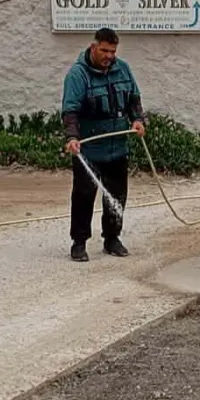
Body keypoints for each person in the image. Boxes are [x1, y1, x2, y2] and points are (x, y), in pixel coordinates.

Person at [61, 27, 145, 263]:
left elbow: (134, 100)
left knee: (116, 196)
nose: (109, 56)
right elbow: (70, 111)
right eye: (105, 50)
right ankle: (79, 242)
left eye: (113, 51)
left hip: (117, 147)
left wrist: (138, 120)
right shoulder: (77, 75)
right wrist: (72, 137)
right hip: (89, 149)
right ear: (93, 47)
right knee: (83, 196)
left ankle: (112, 239)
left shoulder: (123, 69)